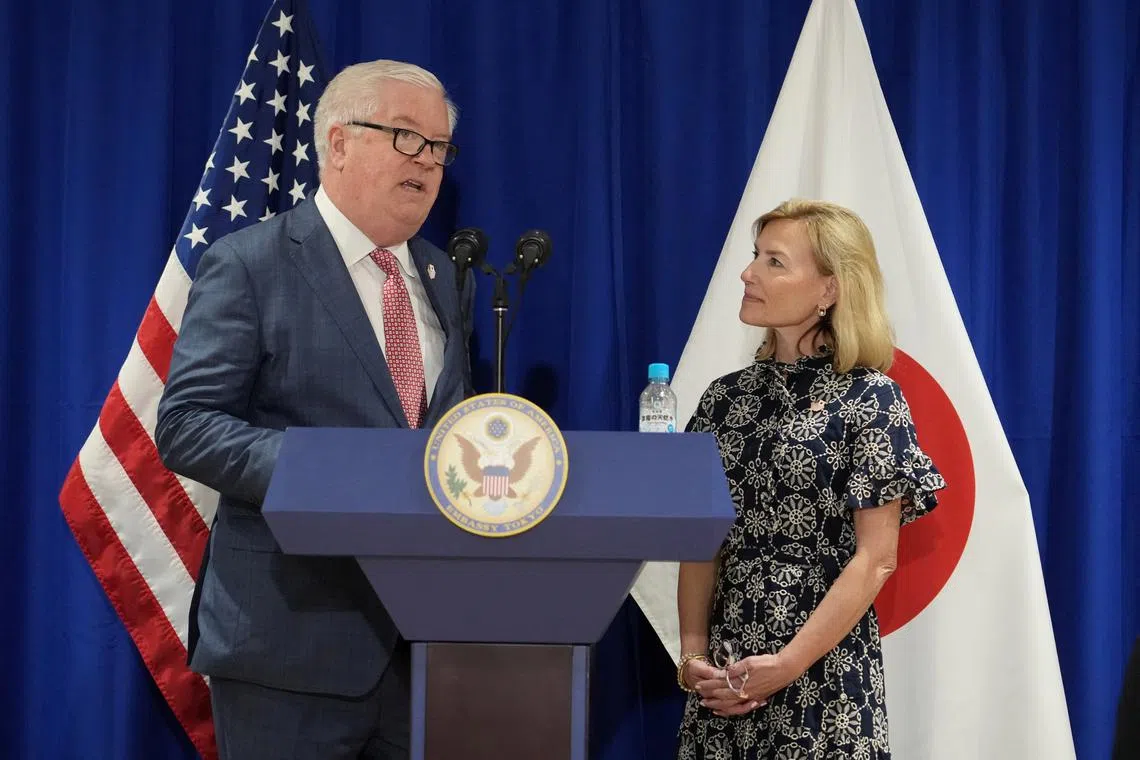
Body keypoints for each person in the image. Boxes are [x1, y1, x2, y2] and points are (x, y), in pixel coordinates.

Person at [156, 60, 474, 759]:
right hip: (288, 644)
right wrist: (337, 469)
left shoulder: (447, 279)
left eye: (441, 147)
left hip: (424, 646)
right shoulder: (251, 262)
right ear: (337, 142)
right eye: (405, 137)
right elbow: (187, 424)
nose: (428, 161)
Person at [674, 199, 946, 758]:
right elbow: (700, 544)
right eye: (756, 257)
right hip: (726, 679)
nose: (748, 273)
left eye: (775, 261)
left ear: (830, 290)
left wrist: (788, 664)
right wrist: (692, 659)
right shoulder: (723, 398)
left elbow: (877, 558)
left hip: (825, 675)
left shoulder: (870, 397)